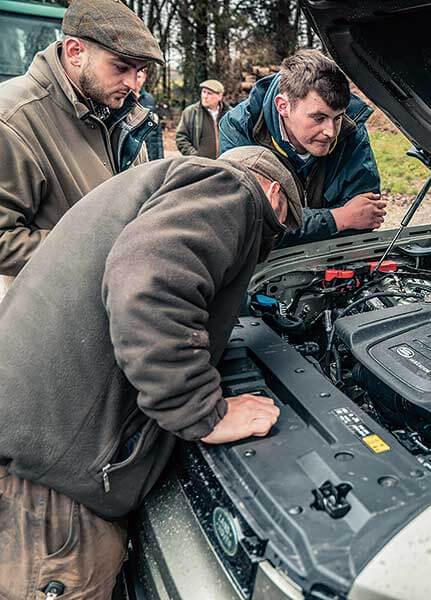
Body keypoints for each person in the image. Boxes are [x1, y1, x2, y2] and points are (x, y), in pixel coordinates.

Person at [0, 146, 301, 600]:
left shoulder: (168, 183)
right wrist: (203, 411)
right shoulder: (231, 190)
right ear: (274, 193)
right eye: (280, 227)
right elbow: (147, 287)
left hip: (36, 454)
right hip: (54, 503)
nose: (271, 243)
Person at [0, 0, 162, 300]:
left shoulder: (121, 111)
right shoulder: (12, 118)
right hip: (54, 317)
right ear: (75, 52)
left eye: (139, 70)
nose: (132, 82)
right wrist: (100, 249)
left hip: (117, 303)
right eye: (121, 67)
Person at [220, 49, 384, 244]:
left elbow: (365, 218)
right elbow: (248, 226)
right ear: (283, 106)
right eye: (319, 118)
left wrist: (289, 221)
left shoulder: (352, 128)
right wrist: (338, 218)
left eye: (337, 117)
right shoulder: (240, 128)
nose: (331, 132)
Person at [176, 78, 230, 158]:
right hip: (200, 166)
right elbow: (181, 138)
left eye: (209, 93)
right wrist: (194, 156)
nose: (205, 96)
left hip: (225, 164)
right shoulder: (191, 112)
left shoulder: (229, 114)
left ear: (220, 96)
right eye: (204, 92)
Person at [136, 68, 164, 160]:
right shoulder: (123, 99)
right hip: (134, 154)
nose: (136, 79)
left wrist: (160, 158)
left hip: (150, 153)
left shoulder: (149, 99)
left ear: (144, 78)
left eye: (139, 77)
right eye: (134, 76)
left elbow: (157, 132)